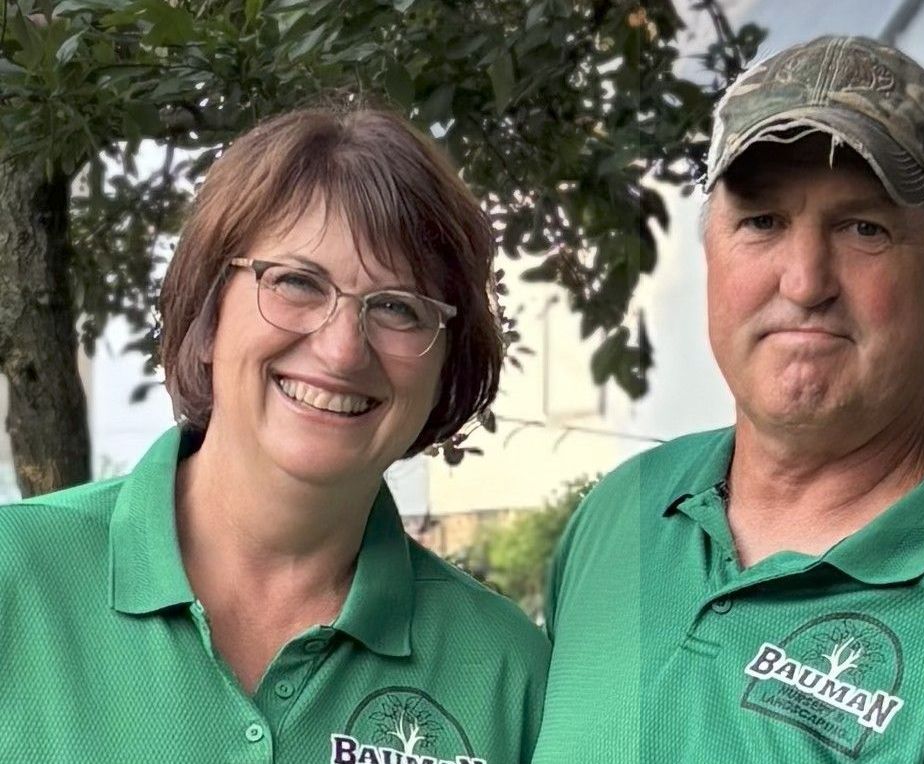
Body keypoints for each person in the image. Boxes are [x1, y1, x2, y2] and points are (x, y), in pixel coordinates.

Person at [0, 105, 549, 762]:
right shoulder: (16, 579)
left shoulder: (507, 675)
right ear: (207, 314)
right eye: (295, 282)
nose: (343, 350)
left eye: (399, 307)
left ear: (444, 364)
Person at [533, 36, 924, 762]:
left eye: (864, 228)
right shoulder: (622, 510)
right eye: (761, 222)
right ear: (709, 250)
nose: (803, 282)